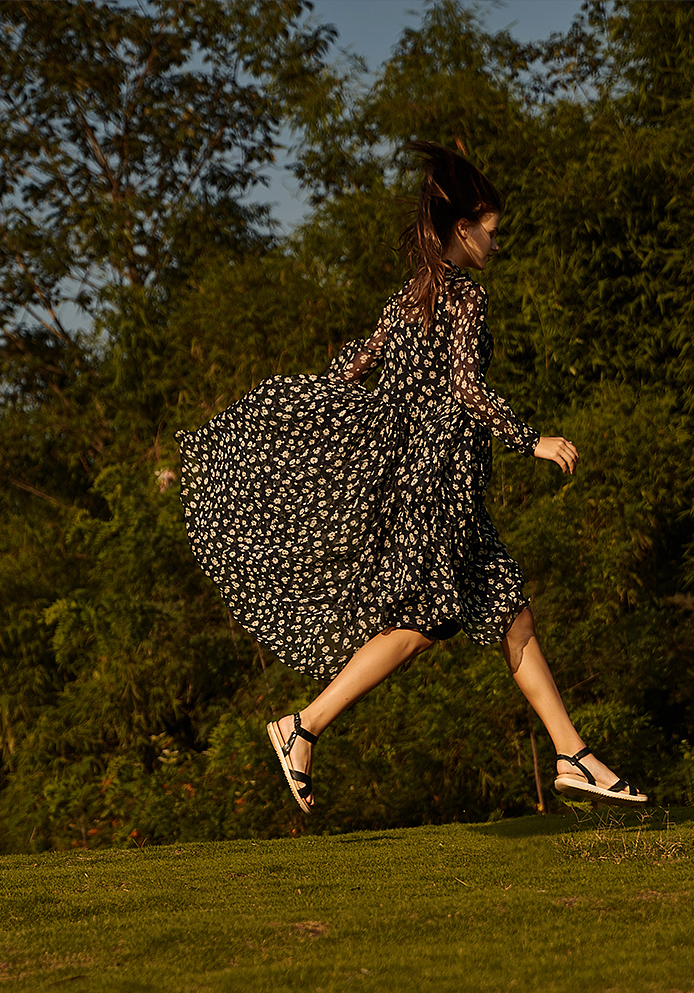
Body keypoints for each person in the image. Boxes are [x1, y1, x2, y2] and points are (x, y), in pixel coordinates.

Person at [178, 141, 647, 815]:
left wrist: (321, 426)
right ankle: (303, 726)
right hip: (440, 486)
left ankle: (573, 755)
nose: (497, 244)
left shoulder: (408, 298)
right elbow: (465, 387)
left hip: (426, 485)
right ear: (464, 229)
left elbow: (350, 369)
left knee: (508, 609)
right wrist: (531, 440)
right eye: (492, 232)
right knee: (425, 620)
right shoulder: (466, 299)